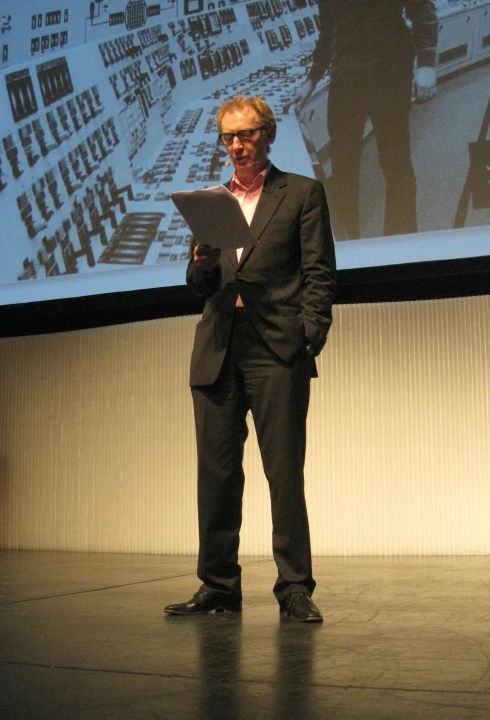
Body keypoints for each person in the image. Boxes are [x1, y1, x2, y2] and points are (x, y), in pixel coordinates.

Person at [164, 95, 336, 622]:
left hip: (276, 348)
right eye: (228, 137)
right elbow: (199, 286)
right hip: (218, 347)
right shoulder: (213, 202)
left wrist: (308, 335)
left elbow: (319, 273)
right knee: (216, 475)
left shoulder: (302, 193)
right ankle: (218, 585)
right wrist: (202, 263)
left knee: (284, 474)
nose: (236, 145)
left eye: (246, 134)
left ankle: (293, 587)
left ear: (269, 135)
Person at [294, 0, 438, 240]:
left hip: (390, 71)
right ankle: (350, 252)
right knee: (342, 170)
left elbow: (423, 11)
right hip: (346, 75)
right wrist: (311, 80)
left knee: (396, 164)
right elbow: (328, 33)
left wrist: (426, 64)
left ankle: (402, 249)